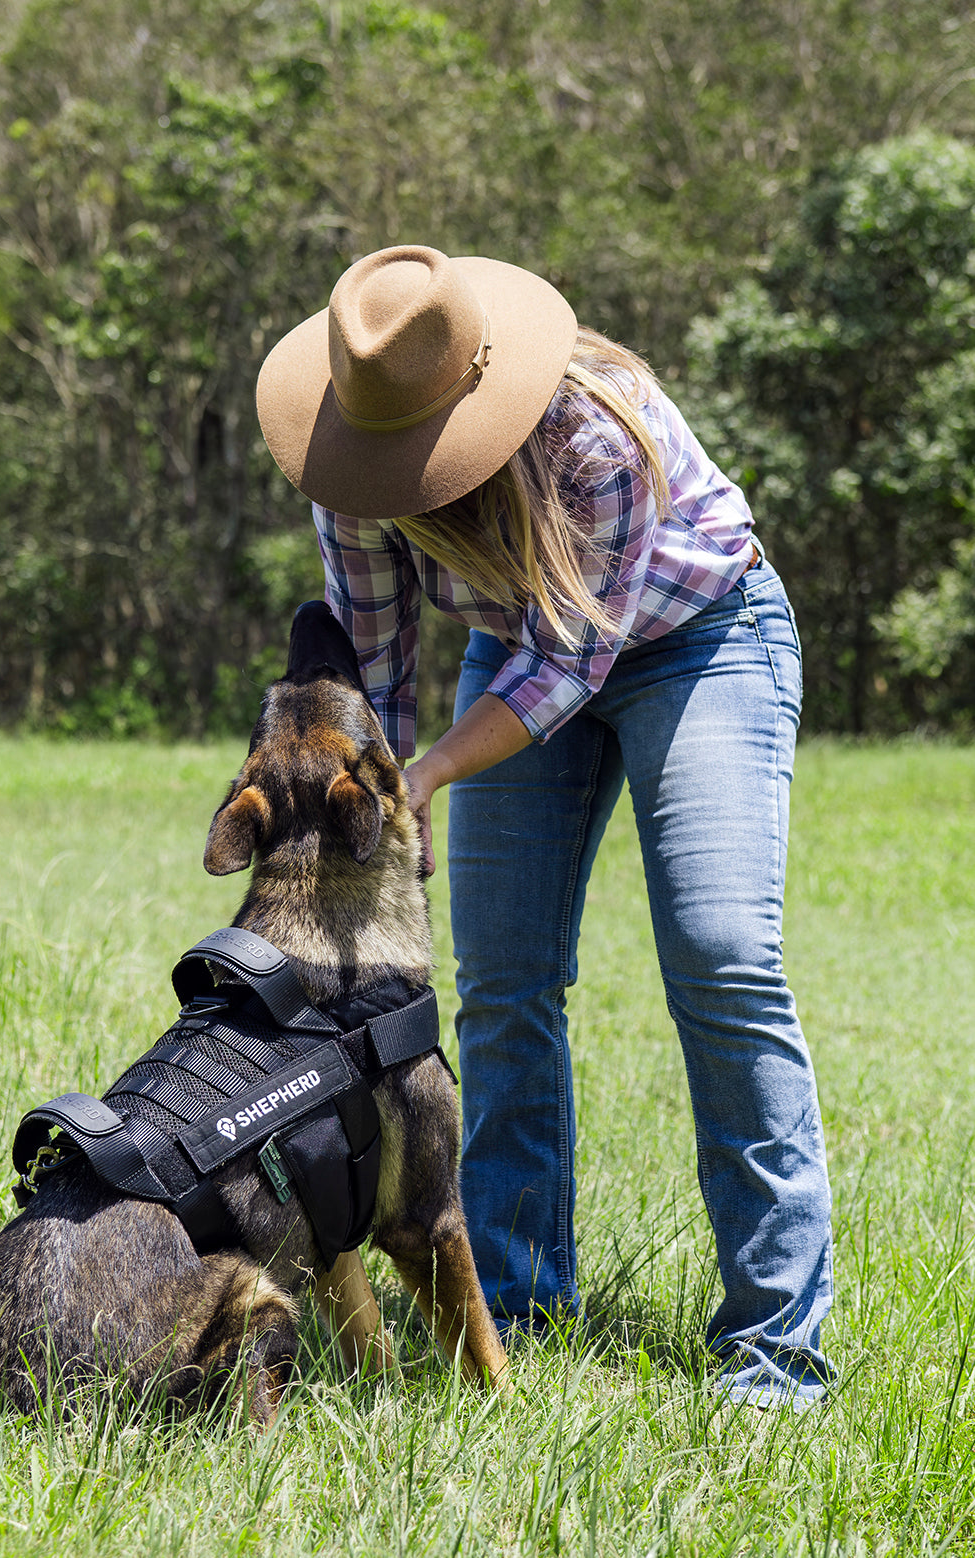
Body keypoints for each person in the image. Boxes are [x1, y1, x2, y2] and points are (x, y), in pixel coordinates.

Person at [255, 244, 834, 1409]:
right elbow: (375, 668)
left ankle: (775, 1348)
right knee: (504, 977)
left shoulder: (592, 437)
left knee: (720, 955)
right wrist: (376, 800)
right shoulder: (353, 470)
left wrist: (431, 773)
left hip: (699, 640)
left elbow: (569, 666)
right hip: (515, 650)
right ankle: (517, 1302)